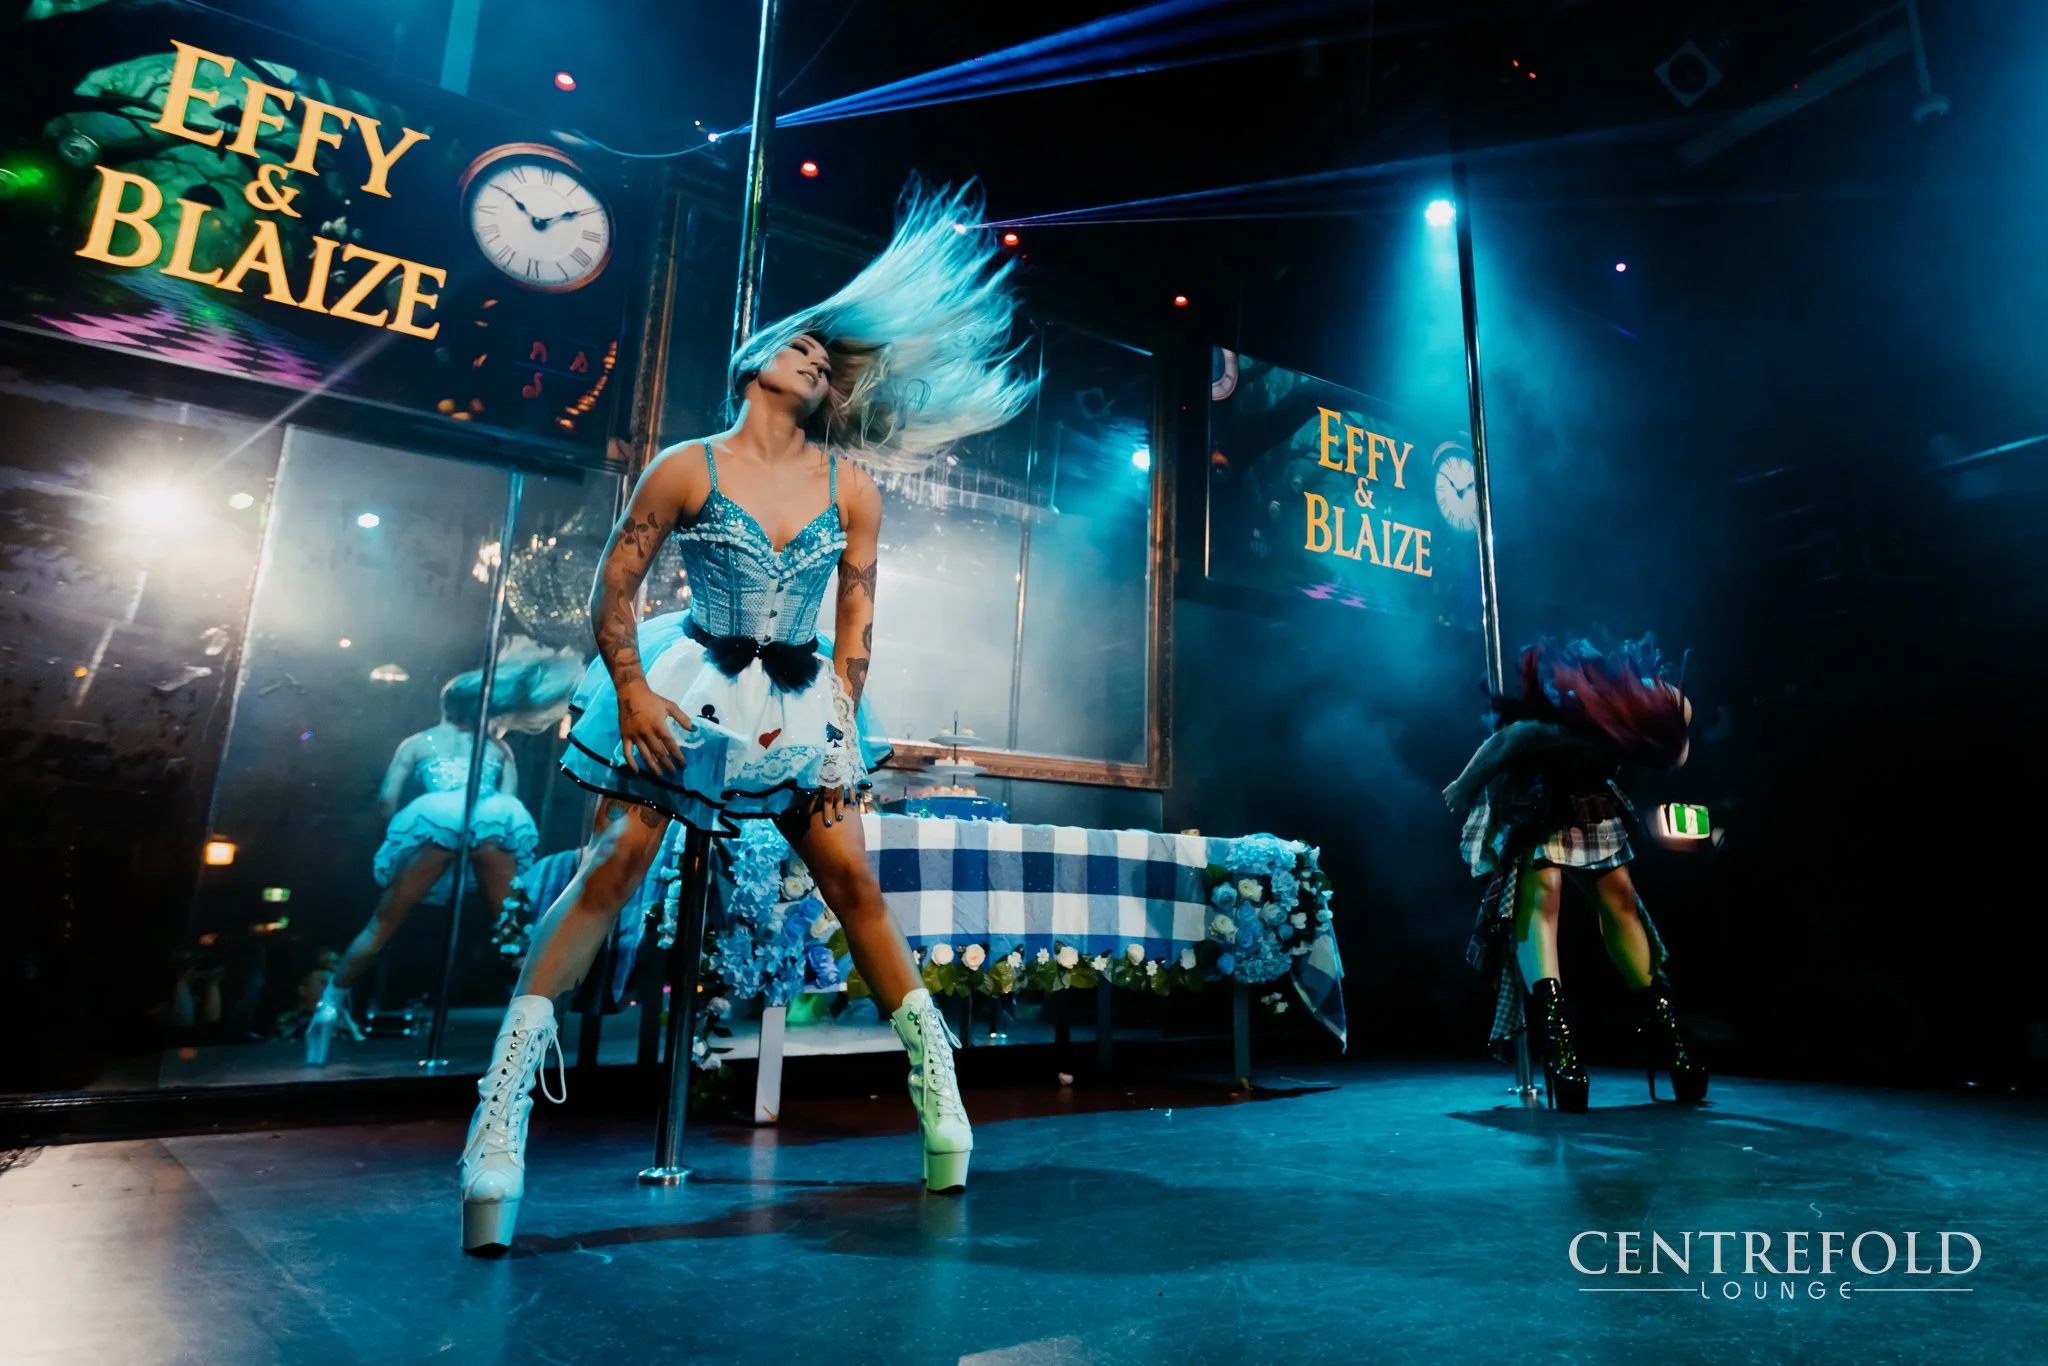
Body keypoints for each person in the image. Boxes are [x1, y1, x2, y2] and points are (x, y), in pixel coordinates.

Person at [457, 181, 1037, 1253]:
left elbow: (857, 613)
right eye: (802, 350)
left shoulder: (850, 486)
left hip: (803, 697)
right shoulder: (689, 465)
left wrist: (840, 717)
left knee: (853, 883)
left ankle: (936, 1084)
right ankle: (496, 1117)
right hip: (688, 685)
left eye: (828, 360)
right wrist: (630, 691)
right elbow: (614, 588)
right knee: (613, 867)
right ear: (757, 357)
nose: (817, 364)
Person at [1444, 635, 1708, 1112]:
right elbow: (1509, 739)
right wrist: (1464, 786)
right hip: (1537, 793)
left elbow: (1677, 739)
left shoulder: (1663, 705)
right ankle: (1562, 1054)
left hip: (1589, 795)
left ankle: (1672, 1045)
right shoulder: (1561, 729)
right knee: (1542, 896)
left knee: (1620, 901)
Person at [306, 642, 579, 1065]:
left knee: (382, 923)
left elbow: (386, 800)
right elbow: (508, 800)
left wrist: (396, 840)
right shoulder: (498, 749)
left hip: (436, 825)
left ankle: (328, 1004)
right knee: (515, 928)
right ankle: (538, 1022)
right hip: (490, 824)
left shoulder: (418, 743)